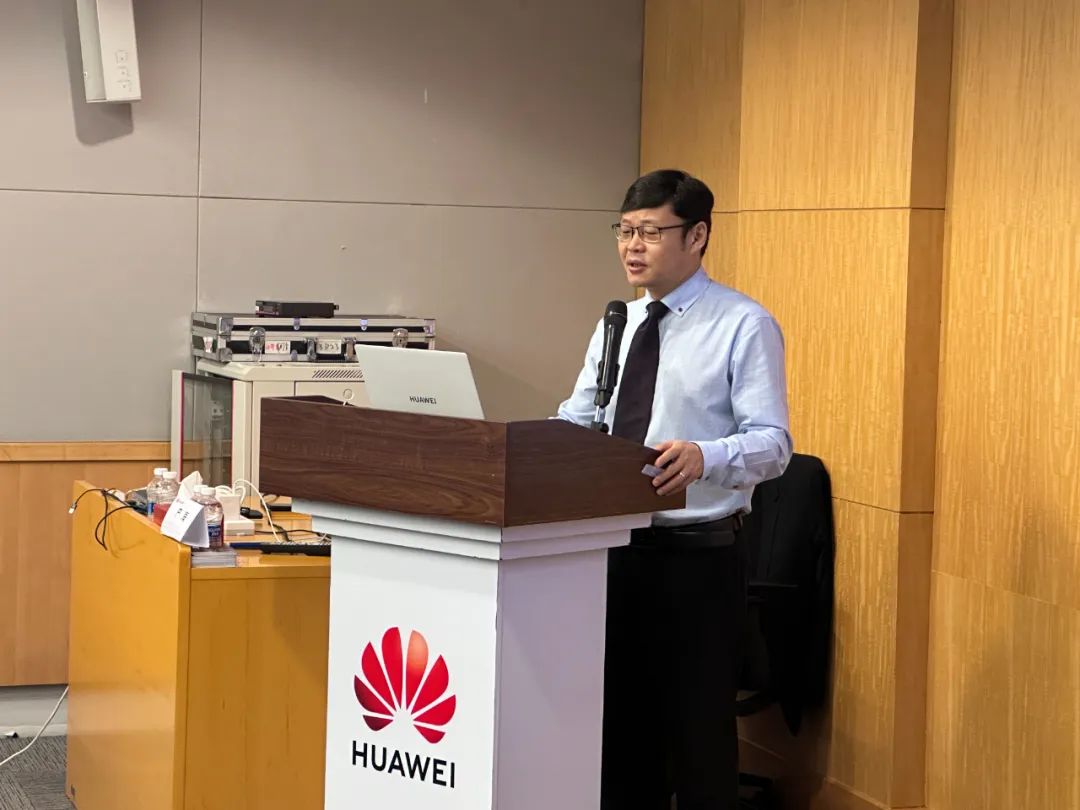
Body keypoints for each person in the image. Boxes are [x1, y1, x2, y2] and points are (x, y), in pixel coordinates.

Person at [556, 169, 793, 810]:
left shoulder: (743, 324)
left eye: (651, 232)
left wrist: (705, 455)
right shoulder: (618, 322)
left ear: (698, 236)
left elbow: (774, 443)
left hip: (697, 558)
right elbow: (580, 417)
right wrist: (523, 447)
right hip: (613, 551)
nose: (633, 246)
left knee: (696, 736)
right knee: (619, 730)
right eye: (625, 231)